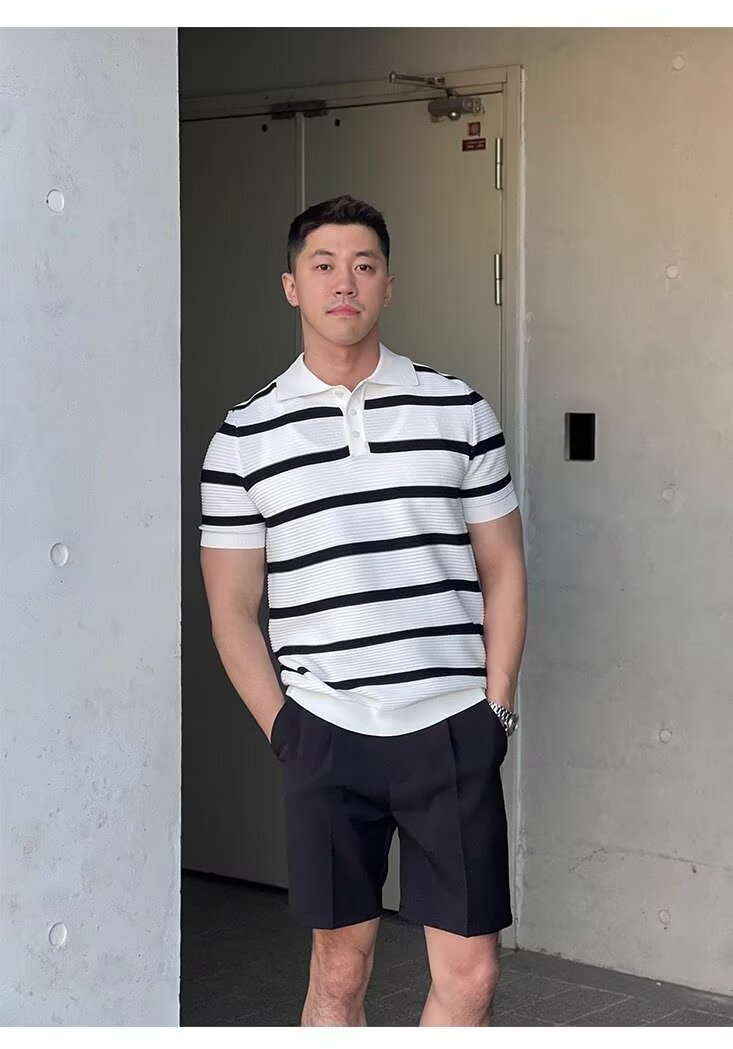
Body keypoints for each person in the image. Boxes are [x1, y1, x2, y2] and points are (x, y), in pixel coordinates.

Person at [198, 194, 528, 1026]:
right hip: (327, 732)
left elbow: (504, 567)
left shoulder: (458, 410)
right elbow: (232, 609)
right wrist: (288, 730)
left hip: (450, 726)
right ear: (292, 286)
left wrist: (495, 708)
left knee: (472, 975)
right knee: (340, 972)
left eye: (363, 265)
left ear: (387, 284)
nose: (344, 282)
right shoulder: (244, 436)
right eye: (324, 265)